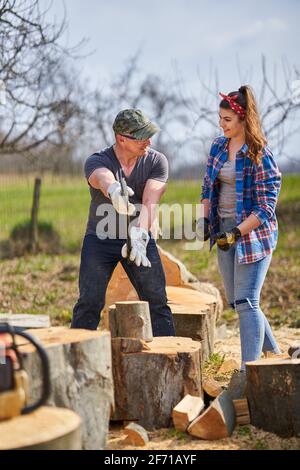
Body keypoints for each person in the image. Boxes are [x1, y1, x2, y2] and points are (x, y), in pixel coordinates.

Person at [197, 85, 282, 370]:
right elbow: (207, 186)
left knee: (247, 300)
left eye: (227, 120)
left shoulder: (260, 155)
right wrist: (205, 221)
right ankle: (275, 356)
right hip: (225, 229)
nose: (221, 125)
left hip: (253, 235)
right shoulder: (218, 147)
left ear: (243, 119)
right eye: (220, 119)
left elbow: (265, 209)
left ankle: (249, 371)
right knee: (237, 302)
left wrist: (236, 233)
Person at [71, 108, 175, 336]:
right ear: (121, 138)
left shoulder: (157, 161)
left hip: (138, 238)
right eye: (141, 136)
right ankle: (76, 356)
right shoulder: (98, 159)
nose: (148, 141)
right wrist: (114, 189)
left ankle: (171, 358)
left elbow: (151, 201)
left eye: (149, 135)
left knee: (157, 301)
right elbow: (100, 177)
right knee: (89, 302)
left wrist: (140, 234)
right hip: (100, 239)